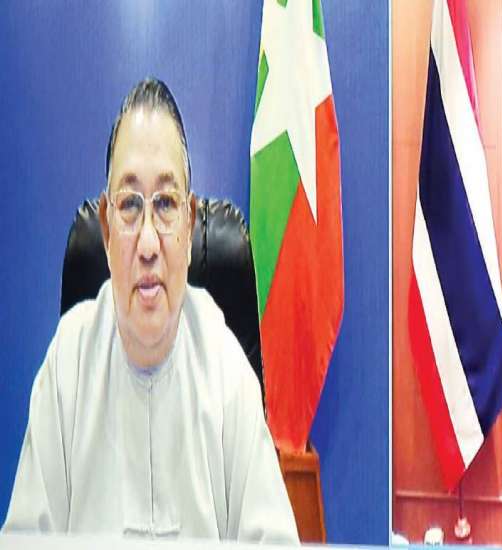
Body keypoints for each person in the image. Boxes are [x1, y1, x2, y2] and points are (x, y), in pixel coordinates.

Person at [2, 78, 299, 543]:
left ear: (189, 222)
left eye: (164, 204)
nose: (146, 243)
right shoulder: (67, 365)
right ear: (105, 229)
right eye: (128, 205)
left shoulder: (226, 369)